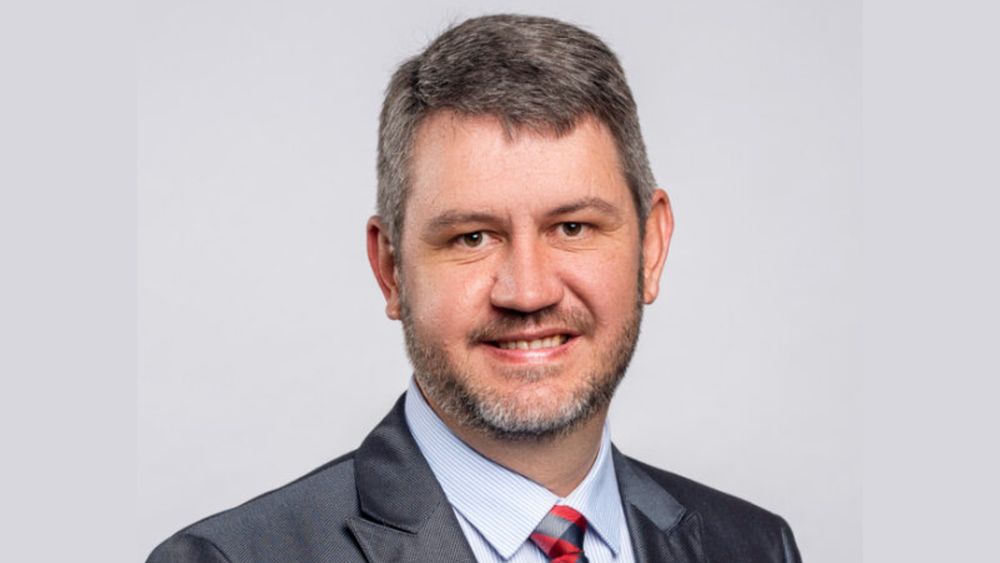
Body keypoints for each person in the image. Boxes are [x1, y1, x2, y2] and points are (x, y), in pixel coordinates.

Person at [148, 14, 801, 563]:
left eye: (572, 227)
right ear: (391, 269)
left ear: (651, 248)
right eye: (472, 237)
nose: (528, 291)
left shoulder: (753, 547)